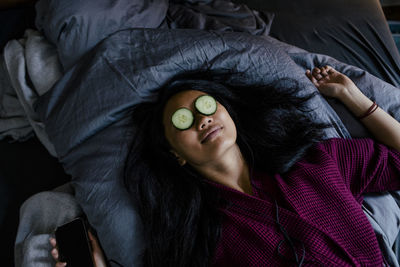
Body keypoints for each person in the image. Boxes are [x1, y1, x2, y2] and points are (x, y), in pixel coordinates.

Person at [50, 66, 400, 266]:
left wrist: (355, 99)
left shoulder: (318, 161)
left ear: (229, 113)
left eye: (206, 106)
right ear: (177, 155)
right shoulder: (199, 238)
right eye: (182, 121)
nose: (201, 120)